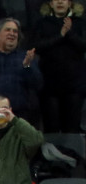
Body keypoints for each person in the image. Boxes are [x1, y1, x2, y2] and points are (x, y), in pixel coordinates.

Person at [0, 19, 44, 124]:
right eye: (8, 30)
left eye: (15, 31)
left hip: (19, 116)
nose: (12, 33)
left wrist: (27, 66)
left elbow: (38, 84)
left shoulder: (26, 57)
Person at [33, 0, 86, 133]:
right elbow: (37, 46)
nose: (60, 2)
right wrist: (60, 35)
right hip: (49, 85)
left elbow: (83, 46)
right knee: (52, 128)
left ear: (70, 4)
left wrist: (70, 33)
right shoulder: (42, 23)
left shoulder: (79, 23)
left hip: (74, 86)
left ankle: (72, 153)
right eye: (56, 0)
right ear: (50, 4)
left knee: (72, 128)